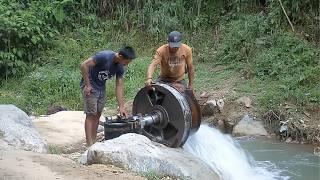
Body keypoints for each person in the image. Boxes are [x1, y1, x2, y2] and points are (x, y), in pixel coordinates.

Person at [80, 46, 136, 146]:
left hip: (101, 87)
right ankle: (89, 145)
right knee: (91, 115)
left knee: (97, 114)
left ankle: (94, 143)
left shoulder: (120, 67)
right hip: (91, 85)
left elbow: (119, 86)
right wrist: (87, 85)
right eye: (126, 62)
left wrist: (121, 107)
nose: (126, 65)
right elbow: (84, 65)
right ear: (120, 56)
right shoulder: (104, 56)